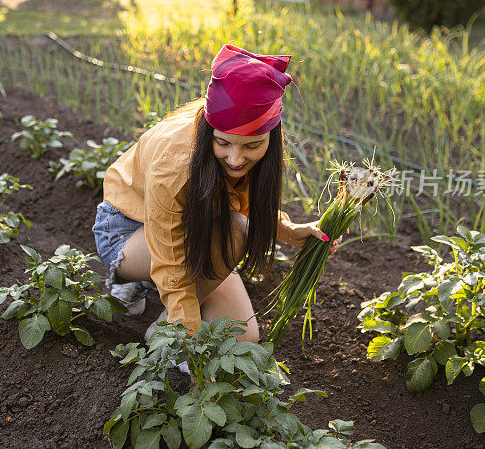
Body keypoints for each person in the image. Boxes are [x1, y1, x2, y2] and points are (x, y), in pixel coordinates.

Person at [92, 44, 341, 345]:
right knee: (235, 230)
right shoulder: (175, 163)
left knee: (244, 338)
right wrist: (186, 335)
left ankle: (154, 298)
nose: (236, 159)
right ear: (210, 130)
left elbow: (243, 202)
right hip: (128, 229)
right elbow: (170, 257)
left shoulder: (250, 154)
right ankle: (153, 314)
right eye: (224, 143)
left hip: (195, 225)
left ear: (271, 136)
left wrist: (289, 231)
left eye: (251, 146)